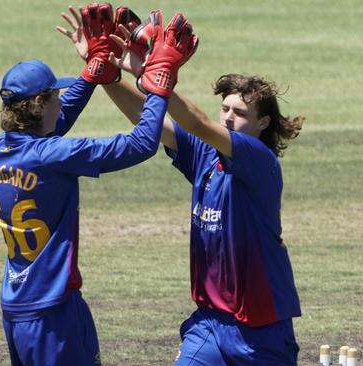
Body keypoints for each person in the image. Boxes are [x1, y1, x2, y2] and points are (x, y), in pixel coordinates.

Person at [0, 4, 198, 365]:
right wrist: (159, 85)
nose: (60, 100)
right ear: (39, 102)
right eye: (55, 94)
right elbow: (140, 145)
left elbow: (57, 117)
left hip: (16, 307)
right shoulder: (53, 155)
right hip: (54, 312)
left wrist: (94, 72)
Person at [100, 13, 305, 365]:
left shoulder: (259, 159)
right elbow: (150, 118)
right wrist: (107, 73)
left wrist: (157, 72)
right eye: (224, 108)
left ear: (263, 123)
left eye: (239, 112)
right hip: (209, 323)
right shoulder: (204, 156)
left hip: (261, 330)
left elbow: (198, 122)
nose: (227, 117)